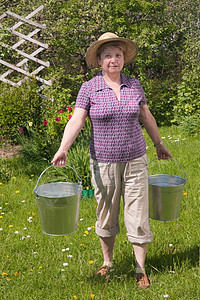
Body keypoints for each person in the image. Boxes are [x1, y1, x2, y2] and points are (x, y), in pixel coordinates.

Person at [51, 32, 172, 289]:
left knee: (138, 214)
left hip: (136, 160)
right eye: (108, 56)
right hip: (103, 162)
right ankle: (108, 262)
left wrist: (159, 144)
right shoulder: (89, 88)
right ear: (99, 60)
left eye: (118, 55)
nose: (113, 60)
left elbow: (146, 116)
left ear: (124, 58)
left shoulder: (134, 85)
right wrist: (63, 148)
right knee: (106, 213)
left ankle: (141, 268)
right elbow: (77, 120)